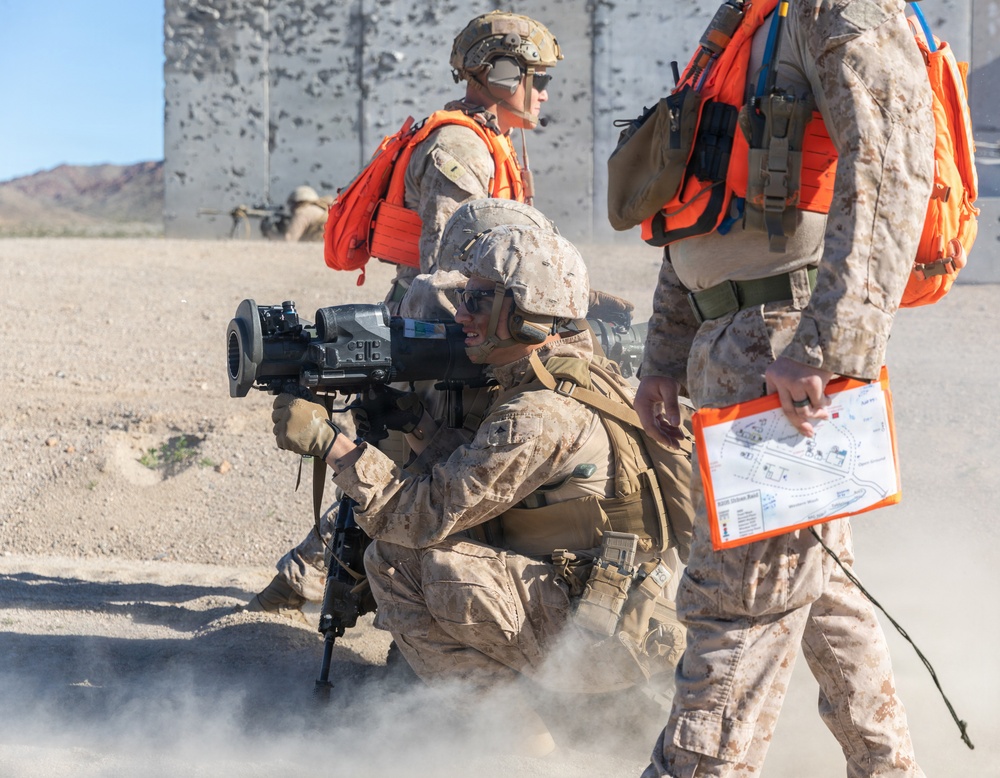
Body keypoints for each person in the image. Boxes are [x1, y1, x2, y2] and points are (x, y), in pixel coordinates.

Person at [632, 1, 936, 776]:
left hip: (781, 348)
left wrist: (825, 346)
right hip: (736, 343)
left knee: (737, 600)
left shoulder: (838, 8)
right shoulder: (745, 22)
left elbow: (892, 167)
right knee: (819, 586)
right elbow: (695, 208)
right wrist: (664, 353)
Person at [270, 226, 690, 753]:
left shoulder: (538, 414)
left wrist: (331, 445)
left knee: (397, 559)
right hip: (624, 609)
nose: (462, 314)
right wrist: (415, 424)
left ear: (528, 310)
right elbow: (481, 481)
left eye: (478, 300)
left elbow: (420, 515)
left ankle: (521, 740)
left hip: (602, 636)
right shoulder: (573, 374)